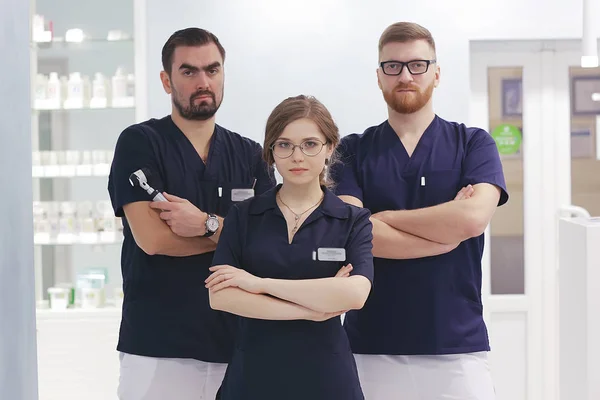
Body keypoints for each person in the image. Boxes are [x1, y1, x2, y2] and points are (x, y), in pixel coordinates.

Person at [329, 22, 509, 400]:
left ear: (437, 73)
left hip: (457, 347)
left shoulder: (473, 143)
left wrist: (385, 219)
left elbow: (473, 218)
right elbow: (352, 233)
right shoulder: (352, 150)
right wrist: (445, 235)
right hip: (370, 347)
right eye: (392, 66)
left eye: (417, 65)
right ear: (379, 77)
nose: (405, 75)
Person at [107, 27, 276, 400]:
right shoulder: (140, 143)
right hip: (157, 349)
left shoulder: (250, 154)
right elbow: (152, 240)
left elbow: (271, 243)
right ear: (167, 81)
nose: (203, 82)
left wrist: (205, 224)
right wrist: (235, 237)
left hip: (237, 344)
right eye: (189, 71)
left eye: (212, 70)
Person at [204, 95, 374, 400]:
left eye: (310, 144)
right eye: (284, 145)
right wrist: (312, 309)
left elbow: (355, 293)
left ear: (330, 148)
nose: (297, 156)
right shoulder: (244, 216)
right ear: (271, 152)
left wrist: (258, 284)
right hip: (253, 379)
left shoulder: (351, 220)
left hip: (327, 381)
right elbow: (221, 296)